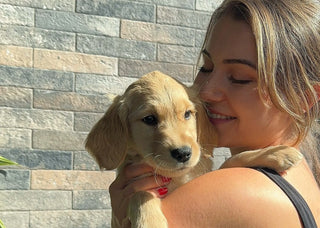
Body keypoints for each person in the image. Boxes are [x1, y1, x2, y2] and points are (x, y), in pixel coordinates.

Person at [109, 0, 320, 227]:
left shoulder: (233, 194)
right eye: (206, 67)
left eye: (239, 77)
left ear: (302, 98)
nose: (206, 92)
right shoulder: (300, 175)